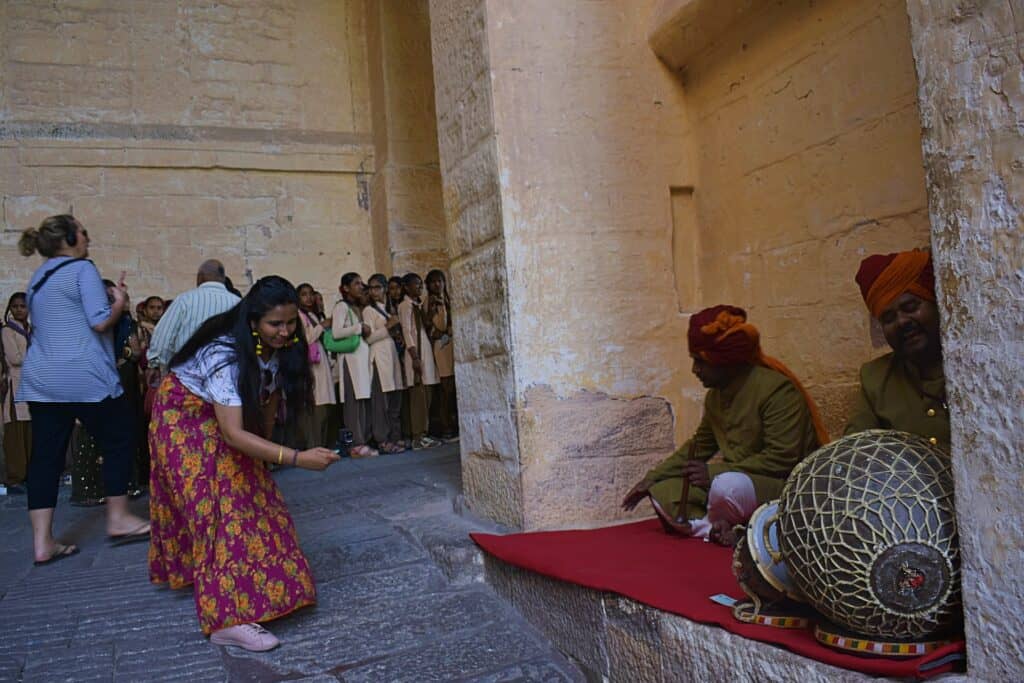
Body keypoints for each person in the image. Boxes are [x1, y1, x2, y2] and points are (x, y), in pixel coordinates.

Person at [149, 275, 339, 651]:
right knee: (221, 506)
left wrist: (264, 457)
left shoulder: (279, 349)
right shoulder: (224, 355)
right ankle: (226, 620)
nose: (284, 332)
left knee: (257, 494)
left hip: (223, 419)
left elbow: (265, 404)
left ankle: (250, 586)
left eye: (290, 323)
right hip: (182, 422)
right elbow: (234, 435)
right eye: (275, 324)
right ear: (253, 321)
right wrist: (297, 458)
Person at [621, 305, 828, 546]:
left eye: (700, 361)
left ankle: (720, 528)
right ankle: (719, 530)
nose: (695, 370)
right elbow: (697, 447)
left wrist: (713, 473)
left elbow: (783, 459)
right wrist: (652, 479)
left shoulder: (776, 390)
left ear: (726, 361)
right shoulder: (715, 398)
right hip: (731, 487)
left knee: (727, 486)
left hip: (780, 487)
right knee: (664, 491)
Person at [16, 214, 150, 565]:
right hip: (84, 374)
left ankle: (42, 542)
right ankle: (119, 516)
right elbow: (99, 320)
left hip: (43, 379)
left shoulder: (37, 278)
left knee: (46, 457)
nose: (87, 238)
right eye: (84, 233)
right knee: (120, 437)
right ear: (73, 238)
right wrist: (118, 301)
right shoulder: (82, 269)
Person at [844, 250, 950, 450]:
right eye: (888, 318)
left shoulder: (974, 369)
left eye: (911, 307)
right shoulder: (876, 378)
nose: (901, 322)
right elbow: (854, 452)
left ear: (936, 303)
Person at [146, 259, 240, 374]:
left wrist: (155, 365)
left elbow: (163, 337)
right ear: (223, 278)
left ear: (200, 277)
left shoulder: (184, 300)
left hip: (187, 375)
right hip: (226, 375)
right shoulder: (238, 304)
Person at [332, 273, 377, 458]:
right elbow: (336, 332)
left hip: (361, 360)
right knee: (352, 404)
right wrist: (359, 328)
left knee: (363, 401)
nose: (361, 286)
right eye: (356, 283)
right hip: (350, 361)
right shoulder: (341, 307)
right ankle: (354, 445)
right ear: (345, 288)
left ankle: (362, 441)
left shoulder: (357, 308)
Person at [363, 274, 406, 454]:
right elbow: (369, 338)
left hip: (392, 356)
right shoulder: (369, 311)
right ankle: (382, 439)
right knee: (381, 402)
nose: (374, 291)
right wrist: (388, 327)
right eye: (371, 288)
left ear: (385, 288)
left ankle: (396, 437)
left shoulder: (388, 309)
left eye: (377, 287)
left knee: (395, 398)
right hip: (379, 358)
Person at [398, 273, 441, 450]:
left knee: (427, 392)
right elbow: (407, 331)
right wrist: (414, 356)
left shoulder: (417, 305)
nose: (420, 287)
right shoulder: (405, 306)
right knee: (418, 395)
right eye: (416, 285)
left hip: (425, 351)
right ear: (407, 287)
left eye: (421, 284)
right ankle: (418, 435)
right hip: (416, 353)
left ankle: (425, 432)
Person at [296, 283, 335, 447]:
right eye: (304, 294)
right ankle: (314, 444)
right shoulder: (298, 315)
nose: (309, 298)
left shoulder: (312, 314)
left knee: (324, 404)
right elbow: (307, 338)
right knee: (316, 404)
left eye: (311, 294)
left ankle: (323, 443)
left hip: (321, 361)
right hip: (311, 364)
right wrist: (321, 326)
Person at [2, 292, 32, 494]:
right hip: (16, 385)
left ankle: (28, 474)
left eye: (23, 306)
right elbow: (14, 358)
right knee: (15, 432)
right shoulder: (8, 330)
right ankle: (15, 478)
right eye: (15, 306)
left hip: (32, 386)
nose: (19, 309)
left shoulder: (30, 329)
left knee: (30, 432)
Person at [425, 270, 458, 441]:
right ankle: (446, 427)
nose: (437, 285)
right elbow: (441, 325)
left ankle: (454, 423)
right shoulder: (431, 303)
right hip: (442, 347)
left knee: (453, 386)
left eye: (440, 281)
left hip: (451, 345)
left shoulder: (447, 299)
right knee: (446, 387)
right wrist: (441, 308)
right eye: (433, 282)